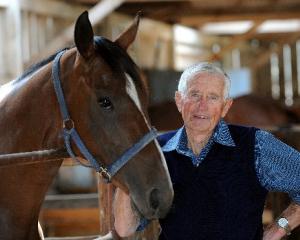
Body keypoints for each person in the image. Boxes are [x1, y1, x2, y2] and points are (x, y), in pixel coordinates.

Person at [114, 62, 300, 240]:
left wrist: (279, 228)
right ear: (179, 101)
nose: (202, 106)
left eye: (213, 97)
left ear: (225, 107)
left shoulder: (255, 144)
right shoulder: (157, 151)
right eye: (194, 95)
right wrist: (129, 158)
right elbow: (125, 227)